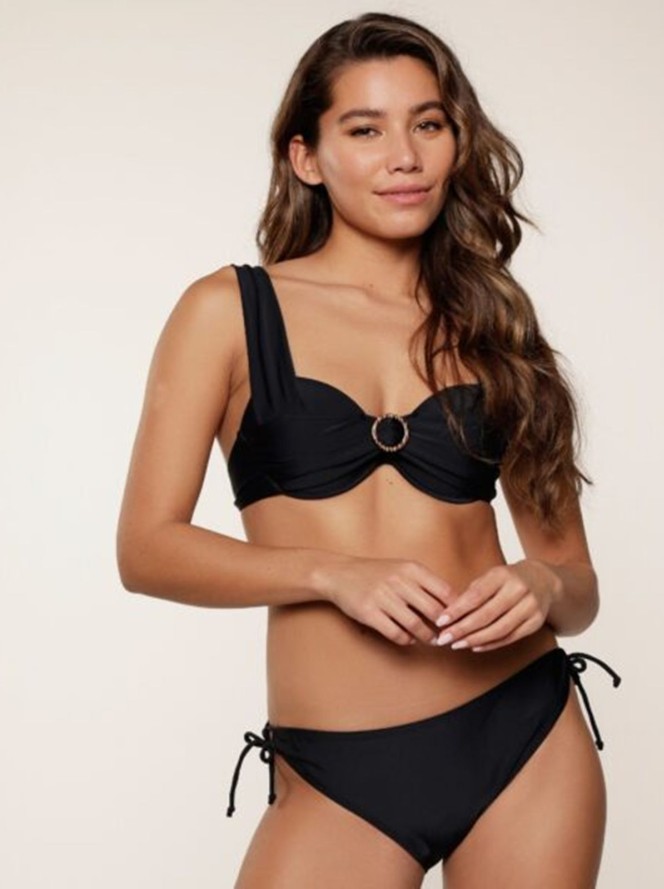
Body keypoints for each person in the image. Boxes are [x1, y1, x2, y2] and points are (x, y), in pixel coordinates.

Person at [116, 11, 622, 888]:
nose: (405, 156)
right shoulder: (228, 311)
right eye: (365, 129)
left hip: (525, 730)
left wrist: (542, 585)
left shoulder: (494, 325)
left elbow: (575, 581)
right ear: (305, 156)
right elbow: (146, 549)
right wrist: (329, 573)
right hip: (340, 768)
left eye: (428, 123)